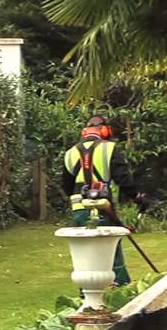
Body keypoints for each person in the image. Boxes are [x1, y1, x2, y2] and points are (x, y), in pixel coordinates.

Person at [62, 115, 149, 286]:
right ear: (105, 131)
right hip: (103, 206)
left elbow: (66, 185)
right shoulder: (109, 148)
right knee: (111, 250)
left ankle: (87, 292)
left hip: (79, 208)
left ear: (84, 132)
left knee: (87, 251)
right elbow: (123, 179)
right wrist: (138, 197)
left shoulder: (70, 153)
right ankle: (122, 290)